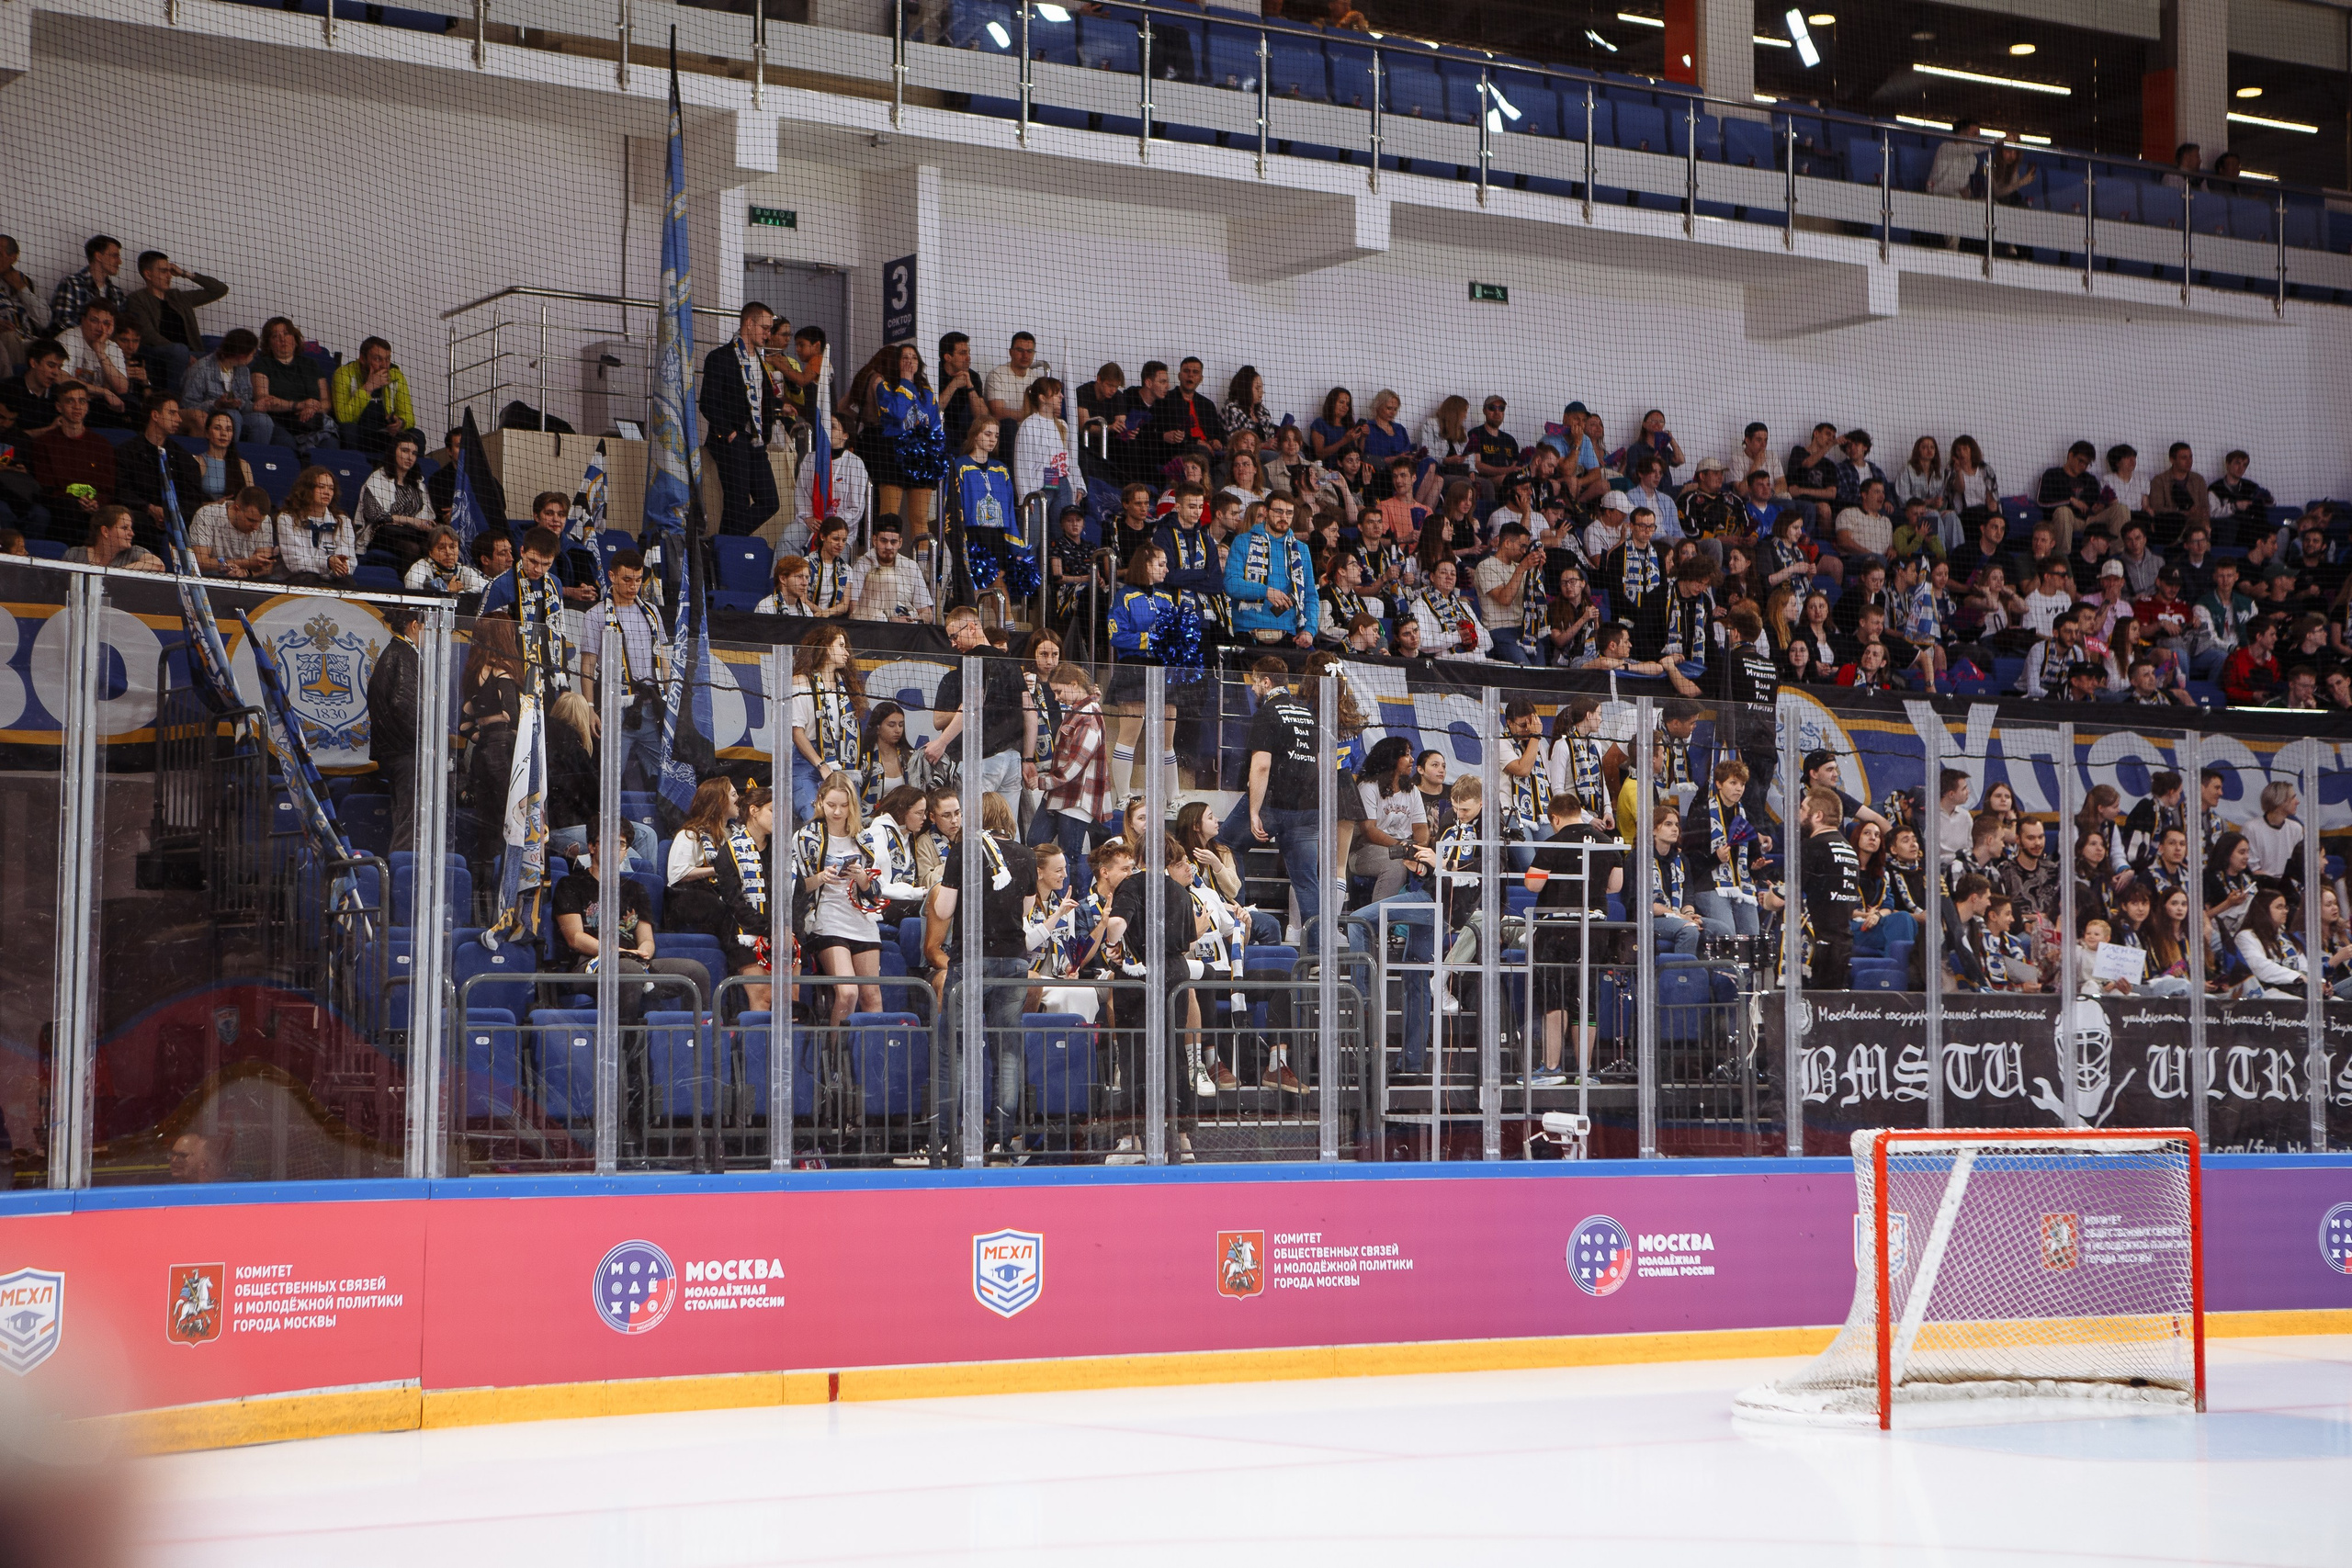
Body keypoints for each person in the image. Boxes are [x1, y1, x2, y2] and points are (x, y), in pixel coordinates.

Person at [924, 787, 1040, 1153]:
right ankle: (1000, 1143)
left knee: (955, 1050)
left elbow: (943, 910)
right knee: (1006, 1052)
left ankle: (947, 1141)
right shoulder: (1026, 855)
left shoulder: (964, 850)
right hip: (1014, 961)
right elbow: (1025, 910)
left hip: (973, 958)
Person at [552, 830, 714, 1020]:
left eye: (621, 844)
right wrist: (618, 952)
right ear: (592, 846)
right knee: (629, 970)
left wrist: (643, 952)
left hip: (634, 962)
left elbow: (646, 939)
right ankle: (625, 1038)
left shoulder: (635, 889)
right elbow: (575, 938)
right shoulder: (570, 884)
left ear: (626, 851)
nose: (614, 849)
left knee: (696, 972)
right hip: (589, 963)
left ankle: (693, 1035)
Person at [1521, 789, 1623, 1088]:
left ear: (1554, 818)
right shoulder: (1605, 842)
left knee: (1554, 999)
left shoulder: (1555, 842)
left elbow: (1532, 884)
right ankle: (1584, 1071)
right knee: (1585, 1000)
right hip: (1595, 928)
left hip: (1558, 928)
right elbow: (1615, 885)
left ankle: (1552, 1069)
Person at [926, 604, 1029, 821]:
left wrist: (942, 742)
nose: (953, 644)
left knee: (969, 826)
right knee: (1007, 828)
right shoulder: (1011, 663)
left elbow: (972, 705)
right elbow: (1030, 712)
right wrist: (1027, 759)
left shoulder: (972, 658)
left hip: (984, 759)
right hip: (1012, 759)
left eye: (955, 636)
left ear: (972, 627)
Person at [117, 251, 226, 394]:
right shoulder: (137, 299)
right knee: (179, 350)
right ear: (148, 274)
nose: (169, 276)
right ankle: (171, 398)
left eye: (170, 271)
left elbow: (220, 290)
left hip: (191, 354)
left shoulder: (178, 297)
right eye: (163, 271)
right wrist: (183, 355)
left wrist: (184, 274)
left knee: (231, 355)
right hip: (159, 353)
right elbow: (148, 334)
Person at [112, 392, 205, 555]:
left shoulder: (183, 458)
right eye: (172, 413)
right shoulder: (126, 452)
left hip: (177, 519)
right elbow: (121, 491)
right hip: (141, 518)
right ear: (155, 415)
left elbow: (193, 498)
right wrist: (150, 508)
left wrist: (170, 514)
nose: (179, 419)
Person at [366, 603, 423, 853]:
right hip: (406, 751)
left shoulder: (395, 652)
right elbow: (405, 706)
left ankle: (401, 864)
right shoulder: (404, 654)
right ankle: (404, 866)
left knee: (405, 817)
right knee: (410, 820)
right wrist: (425, 741)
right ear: (414, 626)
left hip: (395, 750)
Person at [1225, 493, 1317, 648]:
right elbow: (1231, 583)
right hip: (1247, 633)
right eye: (1278, 511)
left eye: (1289, 513)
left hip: (1287, 635)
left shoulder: (1301, 549)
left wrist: (1310, 629)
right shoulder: (1242, 541)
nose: (1284, 517)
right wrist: (1266, 591)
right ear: (1266, 512)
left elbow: (1310, 594)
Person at [28, 382, 114, 536]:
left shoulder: (102, 445)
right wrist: (76, 500)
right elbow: (45, 489)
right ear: (59, 407)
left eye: (82, 401)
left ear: (87, 406)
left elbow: (108, 488)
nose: (77, 407)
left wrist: (97, 502)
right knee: (69, 509)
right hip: (62, 508)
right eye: (70, 401)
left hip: (97, 508)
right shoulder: (44, 443)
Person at [1798, 785, 1861, 988]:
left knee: (1810, 1006)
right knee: (1832, 1004)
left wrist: (1769, 898)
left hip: (1816, 945)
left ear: (1817, 816)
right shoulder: (1849, 850)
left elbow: (1785, 896)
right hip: (1843, 943)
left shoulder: (1813, 846)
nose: (1799, 814)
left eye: (1803, 809)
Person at [251, 316, 336, 454]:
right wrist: (298, 405)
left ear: (295, 340)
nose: (282, 339)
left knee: (330, 444)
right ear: (269, 344)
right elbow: (263, 401)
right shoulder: (262, 365)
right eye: (275, 336)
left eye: (286, 334)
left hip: (312, 420)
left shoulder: (311, 364)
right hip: (279, 421)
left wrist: (312, 409)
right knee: (287, 446)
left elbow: (326, 402)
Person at [177, 327, 274, 447]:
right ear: (242, 356)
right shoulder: (201, 369)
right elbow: (187, 405)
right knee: (232, 417)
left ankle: (255, 457)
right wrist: (216, 404)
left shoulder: (243, 370)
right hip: (209, 417)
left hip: (237, 414)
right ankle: (229, 456)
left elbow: (244, 401)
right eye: (253, 354)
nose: (254, 357)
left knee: (263, 421)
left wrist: (253, 406)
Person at [356, 429, 435, 571]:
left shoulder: (418, 484)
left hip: (412, 533)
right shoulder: (377, 479)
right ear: (393, 451)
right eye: (405, 451)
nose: (410, 457)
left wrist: (426, 524)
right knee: (412, 548)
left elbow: (426, 514)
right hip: (383, 535)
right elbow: (375, 515)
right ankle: (406, 584)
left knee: (429, 548)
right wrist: (411, 521)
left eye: (414, 453)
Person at [330, 337, 416, 457]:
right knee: (347, 430)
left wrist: (400, 423)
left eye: (387, 359)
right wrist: (369, 387)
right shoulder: (343, 374)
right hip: (359, 433)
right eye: (377, 359)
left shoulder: (396, 376)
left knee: (417, 435)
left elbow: (409, 416)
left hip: (386, 433)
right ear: (362, 359)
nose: (384, 365)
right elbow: (344, 418)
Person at [189, 484, 277, 579]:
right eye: (251, 520)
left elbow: (268, 567)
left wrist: (247, 572)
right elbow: (199, 563)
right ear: (236, 509)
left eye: (260, 522)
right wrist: (246, 563)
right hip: (211, 579)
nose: (256, 527)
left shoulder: (266, 520)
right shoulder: (206, 515)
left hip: (247, 581)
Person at [62, 503, 163, 572]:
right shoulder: (75, 554)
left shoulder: (133, 553)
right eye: (124, 528)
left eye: (131, 528)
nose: (132, 533)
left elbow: (158, 565)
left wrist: (118, 572)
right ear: (105, 531)